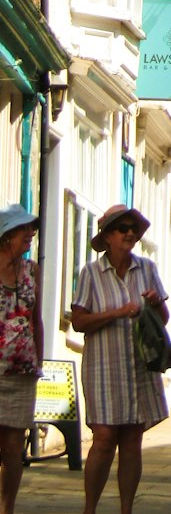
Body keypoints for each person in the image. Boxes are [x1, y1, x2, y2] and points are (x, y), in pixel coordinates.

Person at [70, 205, 170, 514]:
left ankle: (126, 509)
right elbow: (79, 322)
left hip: (138, 365)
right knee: (103, 438)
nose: (130, 233)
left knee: (131, 440)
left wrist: (154, 304)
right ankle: (90, 508)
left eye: (133, 229)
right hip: (103, 366)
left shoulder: (147, 268)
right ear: (108, 236)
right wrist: (117, 312)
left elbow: (163, 319)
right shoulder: (90, 273)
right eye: (122, 228)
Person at [0, 204, 43, 514]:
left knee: (14, 446)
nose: (30, 234)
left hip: (22, 372)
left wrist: (40, 360)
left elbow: (35, 319)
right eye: (24, 229)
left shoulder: (32, 271)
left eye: (32, 229)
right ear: (6, 235)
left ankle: (7, 507)